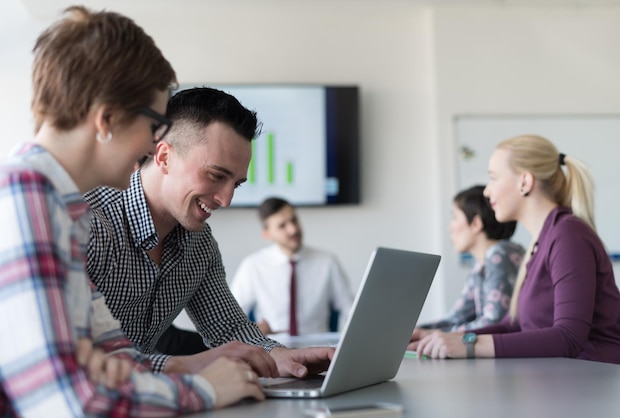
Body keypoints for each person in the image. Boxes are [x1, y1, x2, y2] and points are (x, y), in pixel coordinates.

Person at [0, 6, 264, 417]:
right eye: (155, 125)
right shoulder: (25, 194)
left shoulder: (63, 210)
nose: (155, 144)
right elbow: (67, 402)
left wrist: (179, 366)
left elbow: (115, 357)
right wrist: (205, 389)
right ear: (106, 119)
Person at [85, 86, 334, 378]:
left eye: (236, 184)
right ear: (164, 157)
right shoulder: (88, 224)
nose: (226, 200)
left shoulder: (199, 245)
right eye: (216, 176)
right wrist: (189, 366)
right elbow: (74, 360)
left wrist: (285, 357)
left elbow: (230, 329)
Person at [413, 134, 620, 365]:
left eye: (493, 178)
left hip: (595, 382)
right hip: (563, 379)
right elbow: (512, 324)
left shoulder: (568, 235)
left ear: (525, 182)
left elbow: (569, 337)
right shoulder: (542, 240)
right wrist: (447, 337)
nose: (487, 192)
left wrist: (469, 346)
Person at [409, 185, 525, 343]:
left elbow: (493, 323)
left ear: (476, 224)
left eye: (455, 217)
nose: (450, 227)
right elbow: (456, 318)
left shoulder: (500, 255)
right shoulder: (482, 265)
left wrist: (430, 335)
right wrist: (415, 332)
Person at [230, 197, 355, 335]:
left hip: (317, 348)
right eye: (282, 226)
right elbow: (231, 318)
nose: (293, 229)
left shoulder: (327, 261)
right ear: (267, 234)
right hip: (274, 349)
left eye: (294, 220)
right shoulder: (253, 266)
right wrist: (254, 330)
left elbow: (350, 310)